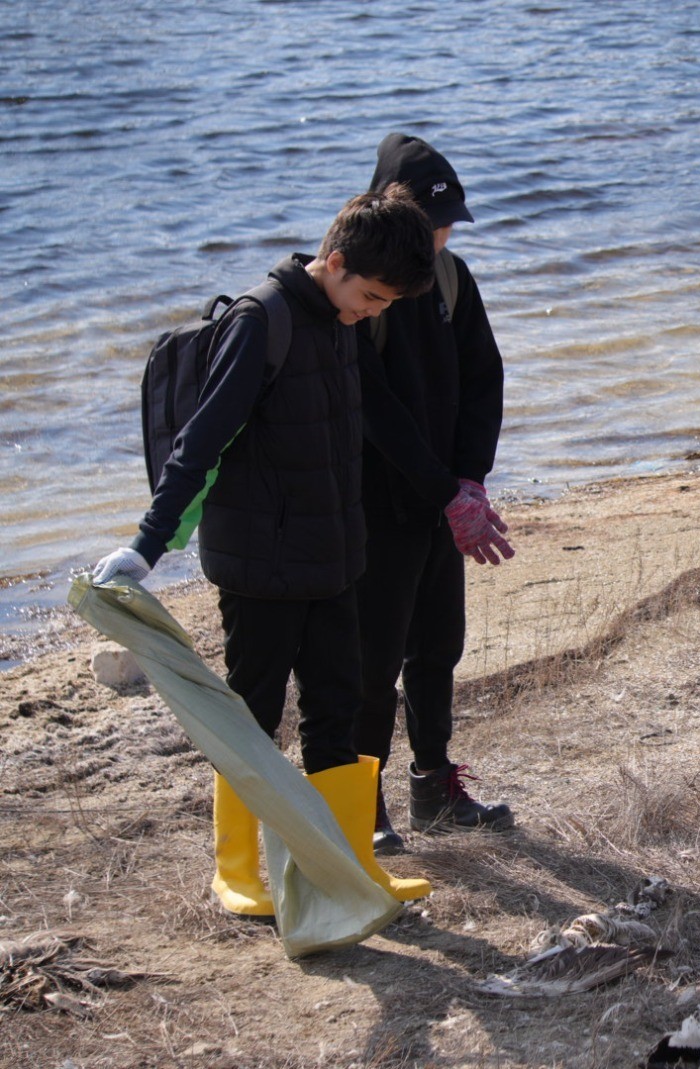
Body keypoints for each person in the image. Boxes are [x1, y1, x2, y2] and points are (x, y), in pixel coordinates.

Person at [92, 187, 439, 915]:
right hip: (259, 568)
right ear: (334, 261)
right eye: (369, 295)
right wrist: (147, 546)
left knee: (336, 713)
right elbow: (199, 444)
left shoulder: (341, 316)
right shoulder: (262, 321)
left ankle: (346, 873)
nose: (371, 312)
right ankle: (239, 871)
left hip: (334, 560)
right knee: (249, 714)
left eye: (383, 304)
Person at [353, 133, 515, 854]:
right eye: (430, 222)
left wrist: (470, 481)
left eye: (447, 224)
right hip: (376, 505)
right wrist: (439, 489)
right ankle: (359, 801)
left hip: (442, 498)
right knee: (372, 657)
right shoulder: (363, 287)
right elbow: (372, 405)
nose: (441, 237)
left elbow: (484, 378)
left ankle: (433, 785)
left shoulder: (452, 277)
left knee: (438, 646)